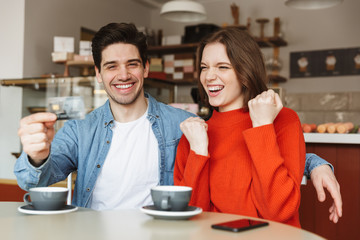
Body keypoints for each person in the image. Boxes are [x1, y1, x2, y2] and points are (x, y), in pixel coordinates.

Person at [14, 23, 341, 221]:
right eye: (111, 66)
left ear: (146, 68)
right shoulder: (78, 131)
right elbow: (33, 180)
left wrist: (314, 162)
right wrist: (36, 156)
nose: (123, 74)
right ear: (98, 73)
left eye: (132, 64)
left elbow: (239, 144)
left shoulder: (181, 124)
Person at [173, 26, 341, 227]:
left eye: (222, 67)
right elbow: (191, 218)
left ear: (245, 72)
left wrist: (262, 126)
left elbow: (278, 211)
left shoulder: (283, 120)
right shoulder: (194, 134)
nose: (208, 76)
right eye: (204, 67)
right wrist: (199, 151)